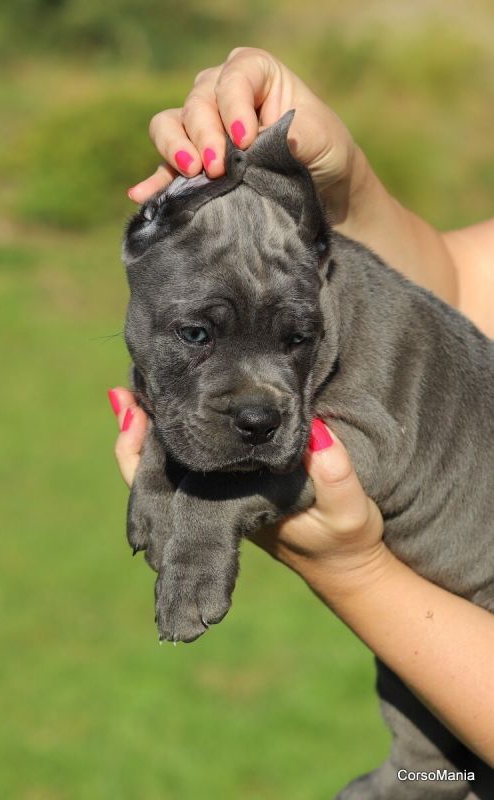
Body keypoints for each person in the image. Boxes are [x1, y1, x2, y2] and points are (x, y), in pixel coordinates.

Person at [109, 48, 494, 766]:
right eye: (198, 334)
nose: (258, 407)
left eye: (294, 340)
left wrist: (218, 507)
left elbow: (365, 447)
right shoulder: (316, 267)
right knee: (429, 774)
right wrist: (345, 177)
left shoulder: (360, 339)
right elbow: (461, 278)